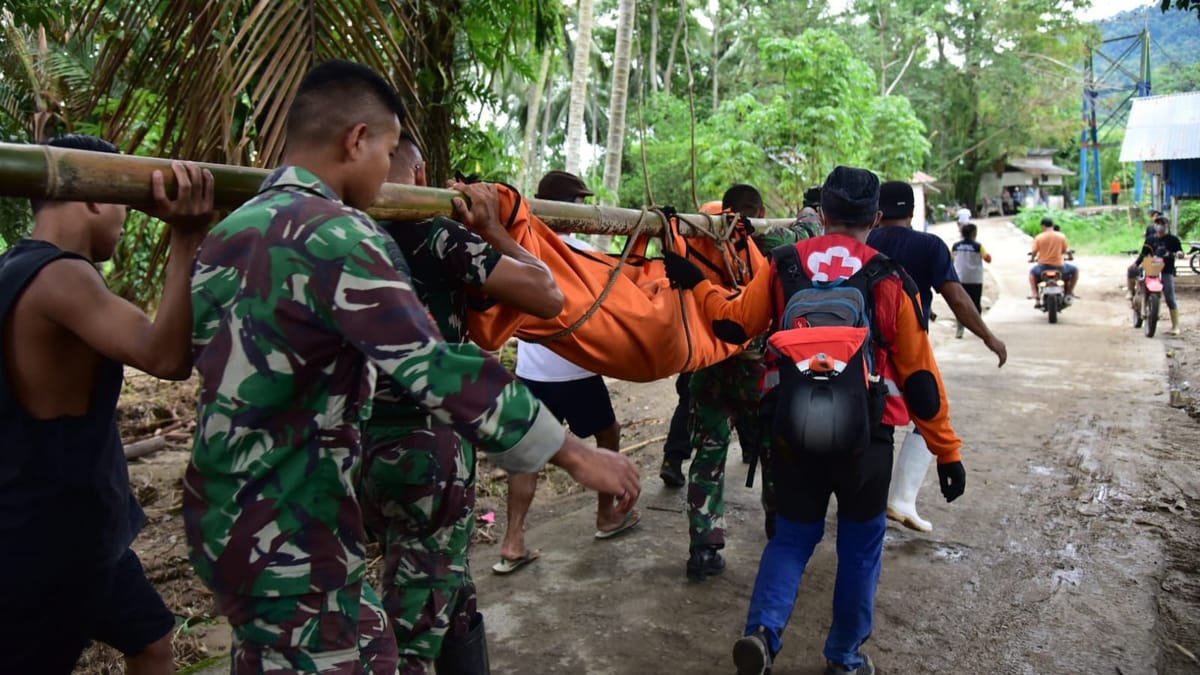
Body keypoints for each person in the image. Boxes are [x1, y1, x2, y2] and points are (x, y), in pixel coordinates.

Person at [186, 61, 640, 674]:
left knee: (375, 646)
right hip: (294, 541)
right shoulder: (339, 234)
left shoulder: (227, 234)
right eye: (392, 149)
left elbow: (176, 357)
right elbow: (438, 367)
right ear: (358, 140)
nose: (393, 168)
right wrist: (577, 454)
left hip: (236, 527)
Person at [664, 166, 966, 675]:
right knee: (860, 548)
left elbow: (732, 322)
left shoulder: (782, 265)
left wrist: (698, 284)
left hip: (792, 431)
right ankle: (844, 658)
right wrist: (947, 452)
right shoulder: (889, 275)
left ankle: (762, 631)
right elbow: (920, 379)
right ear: (874, 217)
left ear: (821, 213)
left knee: (792, 538)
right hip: (867, 440)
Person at [0, 134, 214, 674]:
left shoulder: (16, 269)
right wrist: (187, 237)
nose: (124, 219)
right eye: (123, 201)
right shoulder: (61, 276)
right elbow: (166, 358)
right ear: (94, 194)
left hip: (73, 528)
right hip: (50, 543)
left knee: (151, 640)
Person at [357, 131, 565, 672]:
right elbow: (547, 294)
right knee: (413, 628)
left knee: (449, 589)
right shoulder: (436, 238)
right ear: (420, 175)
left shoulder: (335, 236)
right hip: (426, 453)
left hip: (350, 449)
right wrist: (494, 229)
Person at [495, 170, 639, 576]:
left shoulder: (521, 246)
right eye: (578, 203)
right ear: (569, 207)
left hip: (530, 371)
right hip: (574, 374)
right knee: (607, 434)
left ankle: (513, 541)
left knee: (528, 454)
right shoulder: (578, 254)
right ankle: (607, 516)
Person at [682, 184, 814, 581]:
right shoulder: (772, 240)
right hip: (757, 372)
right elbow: (808, 232)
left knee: (708, 452)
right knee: (773, 452)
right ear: (758, 211)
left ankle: (703, 548)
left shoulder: (698, 238)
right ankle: (779, 531)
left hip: (711, 366)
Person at [867, 181, 1002, 534]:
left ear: (877, 213)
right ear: (912, 213)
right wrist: (987, 336)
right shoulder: (929, 245)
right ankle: (901, 498)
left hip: (860, 350)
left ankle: (859, 497)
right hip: (908, 349)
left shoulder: (862, 241)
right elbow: (957, 299)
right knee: (927, 409)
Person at [1135, 215, 1185, 335]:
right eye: (1157, 223)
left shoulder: (1173, 240)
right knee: (1141, 287)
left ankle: (1175, 326)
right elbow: (1143, 254)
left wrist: (1178, 254)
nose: (1159, 225)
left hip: (1167, 270)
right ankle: (1140, 308)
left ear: (1167, 225)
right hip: (1151, 268)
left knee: (1170, 297)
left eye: (1162, 223)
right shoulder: (1150, 240)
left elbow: (1180, 252)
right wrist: (1136, 264)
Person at [951, 223, 992, 339]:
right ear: (974, 234)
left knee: (960, 304)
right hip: (975, 279)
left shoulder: (956, 246)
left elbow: (950, 259)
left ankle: (960, 329)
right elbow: (988, 259)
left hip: (960, 279)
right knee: (975, 304)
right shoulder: (978, 246)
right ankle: (978, 329)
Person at [1029, 216, 1078, 303]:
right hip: (1060, 268)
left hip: (1043, 268)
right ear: (1052, 225)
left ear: (1043, 226)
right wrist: (1070, 257)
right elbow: (1066, 250)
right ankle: (1069, 292)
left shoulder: (1039, 237)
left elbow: (1034, 251)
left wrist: (1032, 259)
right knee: (1075, 270)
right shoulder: (1061, 236)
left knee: (1032, 273)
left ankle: (1035, 294)